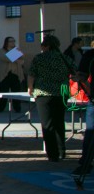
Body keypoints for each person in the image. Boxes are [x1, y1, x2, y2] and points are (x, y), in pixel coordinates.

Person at [27, 34, 74, 163]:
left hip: (44, 93)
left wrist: (30, 87)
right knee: (59, 122)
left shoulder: (39, 58)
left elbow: (31, 74)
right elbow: (75, 73)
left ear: (46, 46)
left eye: (42, 45)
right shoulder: (64, 58)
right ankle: (62, 150)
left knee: (47, 124)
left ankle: (53, 154)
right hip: (61, 92)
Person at [73, 47, 94, 186]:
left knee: (91, 134)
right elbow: (81, 77)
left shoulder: (90, 55)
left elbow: (81, 77)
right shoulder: (90, 55)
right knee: (91, 134)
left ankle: (85, 164)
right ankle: (85, 164)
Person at [0, 36, 26, 112]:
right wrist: (17, 59)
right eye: (10, 41)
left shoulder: (17, 50)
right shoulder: (2, 51)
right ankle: (0, 108)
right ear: (6, 42)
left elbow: (22, 59)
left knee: (16, 92)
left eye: (13, 41)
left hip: (16, 74)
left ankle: (17, 108)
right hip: (4, 74)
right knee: (3, 91)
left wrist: (16, 58)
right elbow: (6, 58)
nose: (12, 42)